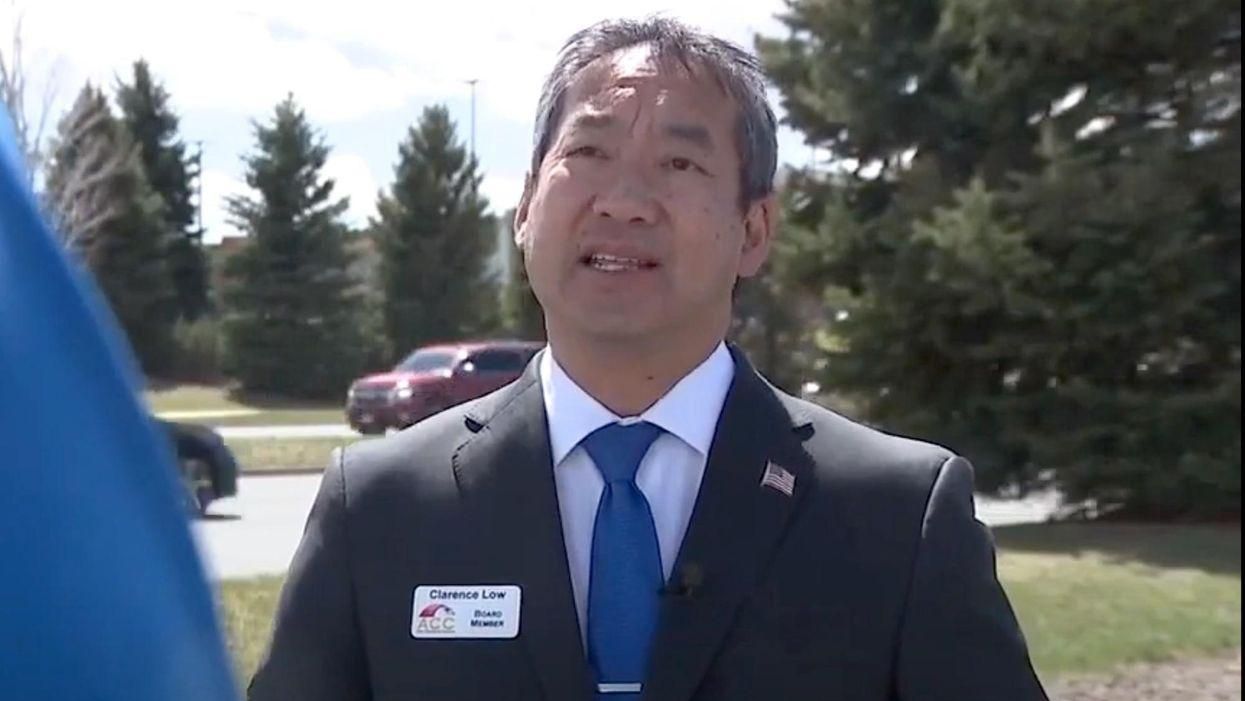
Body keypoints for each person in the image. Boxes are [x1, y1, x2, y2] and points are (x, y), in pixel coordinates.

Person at [249, 17, 1048, 701]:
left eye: (678, 163)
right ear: (525, 209)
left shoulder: (897, 517)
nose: (623, 201)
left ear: (755, 230)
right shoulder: (378, 509)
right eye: (587, 151)